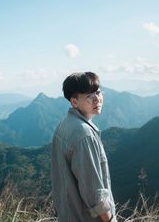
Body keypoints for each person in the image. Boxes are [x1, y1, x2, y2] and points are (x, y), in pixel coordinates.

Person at [51, 72, 116, 222]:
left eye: (98, 92)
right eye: (89, 96)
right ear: (74, 102)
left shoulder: (64, 125)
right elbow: (94, 193)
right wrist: (110, 219)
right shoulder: (84, 135)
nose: (97, 99)